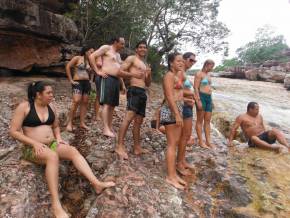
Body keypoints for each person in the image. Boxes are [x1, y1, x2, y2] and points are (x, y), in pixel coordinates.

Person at [9, 81, 115, 218]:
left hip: (51, 144)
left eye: (52, 92)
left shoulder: (51, 106)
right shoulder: (25, 107)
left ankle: (96, 183)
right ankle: (56, 205)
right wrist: (34, 143)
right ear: (38, 94)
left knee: (73, 151)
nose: (52, 95)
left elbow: (56, 127)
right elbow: (14, 131)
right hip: (32, 147)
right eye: (49, 93)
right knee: (52, 157)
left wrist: (58, 138)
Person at [115, 40, 152, 160]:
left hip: (142, 92)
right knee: (128, 118)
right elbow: (119, 72)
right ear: (136, 49)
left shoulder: (145, 64)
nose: (142, 49)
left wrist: (149, 74)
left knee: (139, 121)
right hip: (134, 90)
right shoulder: (132, 58)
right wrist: (134, 75)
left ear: (146, 50)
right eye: (140, 47)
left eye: (144, 47)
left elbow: (148, 83)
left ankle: (137, 147)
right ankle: (119, 146)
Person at [89, 37, 126, 137]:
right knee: (106, 104)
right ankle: (105, 128)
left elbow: (119, 70)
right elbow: (92, 56)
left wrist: (123, 84)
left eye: (123, 44)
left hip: (116, 80)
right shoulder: (106, 48)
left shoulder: (118, 55)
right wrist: (97, 71)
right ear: (115, 42)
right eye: (122, 44)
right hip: (107, 78)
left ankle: (109, 127)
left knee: (112, 105)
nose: (123, 46)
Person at [160, 52, 187, 190]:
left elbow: (179, 94)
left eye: (182, 61)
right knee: (171, 144)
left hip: (178, 109)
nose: (181, 63)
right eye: (178, 61)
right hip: (171, 110)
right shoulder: (169, 76)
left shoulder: (177, 75)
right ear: (171, 63)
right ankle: (170, 177)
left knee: (175, 143)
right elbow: (169, 96)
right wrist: (176, 114)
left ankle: (173, 174)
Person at [176, 52, 197, 176]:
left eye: (194, 61)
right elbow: (175, 90)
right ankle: (179, 163)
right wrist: (190, 96)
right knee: (184, 136)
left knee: (187, 135)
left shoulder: (184, 73)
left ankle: (182, 160)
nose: (192, 62)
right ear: (184, 59)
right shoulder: (179, 73)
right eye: (191, 60)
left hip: (188, 106)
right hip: (183, 106)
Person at [65, 46, 94, 131]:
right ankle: (70, 123)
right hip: (78, 82)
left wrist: (91, 80)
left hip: (86, 83)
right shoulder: (77, 58)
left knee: (85, 102)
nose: (92, 54)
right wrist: (71, 80)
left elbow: (92, 71)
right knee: (76, 101)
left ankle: (82, 123)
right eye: (90, 52)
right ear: (85, 51)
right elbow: (68, 67)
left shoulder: (90, 61)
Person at [194, 59, 215, 149]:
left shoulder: (208, 75)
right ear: (207, 65)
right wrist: (198, 100)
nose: (212, 68)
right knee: (200, 120)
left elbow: (209, 87)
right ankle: (201, 141)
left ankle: (208, 141)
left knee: (207, 121)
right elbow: (195, 88)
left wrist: (212, 100)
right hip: (201, 97)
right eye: (211, 66)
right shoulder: (199, 74)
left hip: (209, 98)